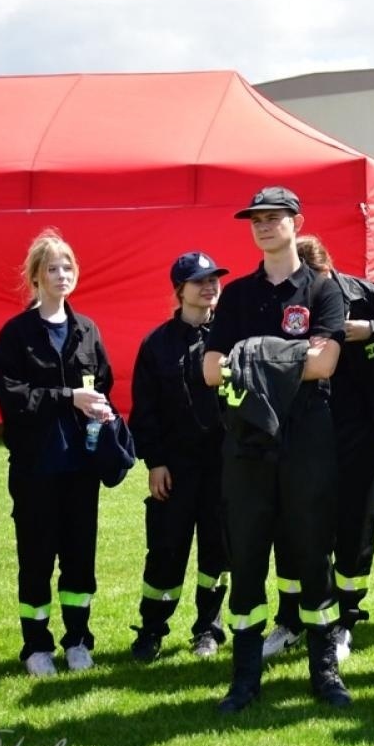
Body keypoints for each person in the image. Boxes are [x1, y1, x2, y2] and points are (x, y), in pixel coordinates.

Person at [201, 187, 348, 712]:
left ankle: (324, 672)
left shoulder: (323, 291)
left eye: (274, 217)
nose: (263, 226)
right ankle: (244, 679)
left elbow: (325, 364)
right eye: (255, 219)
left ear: (296, 222)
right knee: (246, 561)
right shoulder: (238, 295)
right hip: (247, 447)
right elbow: (211, 369)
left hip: (307, 442)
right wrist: (287, 357)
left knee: (313, 557)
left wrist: (253, 354)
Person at [0, 230, 116, 677]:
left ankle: (78, 640)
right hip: (35, 468)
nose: (61, 275)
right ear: (35, 278)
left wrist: (99, 407)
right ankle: (36, 646)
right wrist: (68, 397)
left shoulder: (87, 331)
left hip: (81, 468)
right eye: (52, 268)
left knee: (80, 557)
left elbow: (104, 380)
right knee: (37, 559)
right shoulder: (17, 335)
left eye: (68, 267)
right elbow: (13, 397)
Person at [128, 251, 230, 663]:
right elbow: (144, 411)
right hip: (175, 469)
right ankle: (152, 628)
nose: (209, 286)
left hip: (222, 467)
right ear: (179, 291)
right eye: (199, 281)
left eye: (214, 279)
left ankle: (209, 628)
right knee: (167, 550)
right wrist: (155, 462)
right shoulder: (157, 345)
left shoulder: (229, 337)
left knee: (217, 551)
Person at [294, 234, 374, 659]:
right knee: (303, 524)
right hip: (307, 429)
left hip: (360, 430)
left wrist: (372, 330)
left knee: (355, 525)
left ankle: (347, 617)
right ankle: (293, 617)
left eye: (320, 281)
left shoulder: (363, 294)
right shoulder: (290, 305)